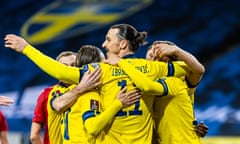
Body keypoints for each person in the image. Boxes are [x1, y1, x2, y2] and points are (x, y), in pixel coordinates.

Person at [4, 24, 189, 144]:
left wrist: (27, 49)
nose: (104, 44)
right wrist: (177, 51)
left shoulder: (99, 71)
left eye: (108, 39)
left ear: (123, 44)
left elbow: (60, 72)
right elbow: (190, 70)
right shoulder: (151, 69)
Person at [51, 45, 141, 144]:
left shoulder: (71, 91)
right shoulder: (89, 94)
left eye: (72, 65)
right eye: (103, 64)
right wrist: (118, 104)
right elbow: (93, 127)